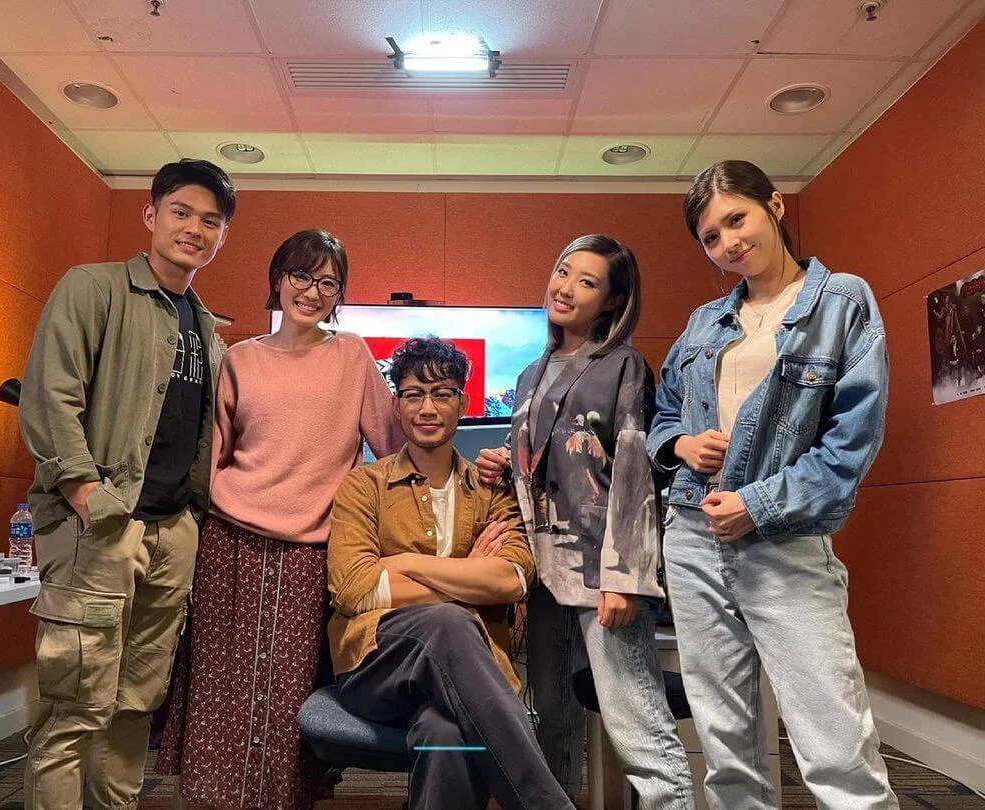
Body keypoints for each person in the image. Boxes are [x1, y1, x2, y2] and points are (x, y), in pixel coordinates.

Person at [647, 159, 897, 809]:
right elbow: (663, 413)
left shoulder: (842, 300)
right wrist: (680, 444)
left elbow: (851, 444)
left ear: (775, 207)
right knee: (726, 749)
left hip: (784, 540)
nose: (728, 243)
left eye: (737, 219)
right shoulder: (705, 322)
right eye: (710, 236)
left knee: (835, 747)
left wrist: (756, 504)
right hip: (693, 538)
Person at [158, 229, 404, 810]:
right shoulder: (239, 359)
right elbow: (212, 456)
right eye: (301, 276)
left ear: (339, 295)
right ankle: (215, 799)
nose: (312, 292)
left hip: (311, 552)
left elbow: (393, 448)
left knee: (291, 691)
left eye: (328, 283)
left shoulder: (352, 356)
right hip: (230, 541)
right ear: (277, 279)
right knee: (220, 682)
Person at [18, 158, 236, 810]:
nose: (194, 229)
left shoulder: (208, 329)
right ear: (151, 214)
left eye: (210, 221)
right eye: (181, 212)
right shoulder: (93, 288)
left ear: (222, 237)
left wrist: (193, 517)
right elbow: (50, 397)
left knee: (137, 701)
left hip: (172, 533)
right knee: (74, 706)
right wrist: (85, 492)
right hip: (100, 528)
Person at [477, 235, 694, 807]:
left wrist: (625, 577)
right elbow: (550, 467)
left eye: (587, 282)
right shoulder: (530, 374)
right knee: (550, 720)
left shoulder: (623, 365)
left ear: (613, 300)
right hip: (541, 574)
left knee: (639, 728)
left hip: (601, 572)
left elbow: (635, 472)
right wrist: (504, 463)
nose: (566, 288)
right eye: (563, 271)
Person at [328, 336, 573, 810]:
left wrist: (408, 565)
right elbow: (356, 589)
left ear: (462, 403)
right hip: (375, 667)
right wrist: (467, 580)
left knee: (446, 732)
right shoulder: (364, 486)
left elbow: (513, 580)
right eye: (413, 394)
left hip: (467, 681)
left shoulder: (492, 490)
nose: (427, 408)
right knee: (449, 621)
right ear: (396, 405)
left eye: (441, 394)